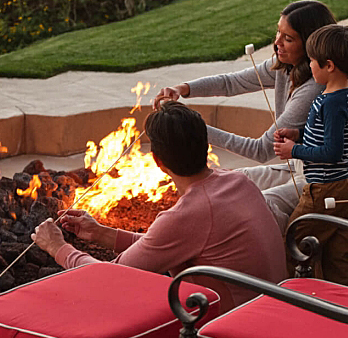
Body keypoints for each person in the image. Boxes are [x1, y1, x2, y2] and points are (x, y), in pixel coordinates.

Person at [154, 0, 348, 233]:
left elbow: (260, 150)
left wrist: (191, 128)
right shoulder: (285, 65)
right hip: (306, 170)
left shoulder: (314, 89)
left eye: (288, 38)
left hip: (345, 187)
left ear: (311, 46)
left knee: (258, 203)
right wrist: (183, 89)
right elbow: (232, 82)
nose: (277, 43)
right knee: (229, 182)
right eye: (278, 32)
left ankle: (279, 264)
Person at [31, 101, 286, 313]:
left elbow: (108, 279)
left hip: (237, 330)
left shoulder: (190, 213)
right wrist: (101, 233)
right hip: (277, 306)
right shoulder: (237, 182)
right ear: (206, 145)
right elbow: (162, 244)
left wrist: (58, 248)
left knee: (111, 304)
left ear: (157, 161)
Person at [273, 25, 348, 285]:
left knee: (294, 242)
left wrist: (294, 150)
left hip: (325, 189)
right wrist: (298, 134)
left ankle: (296, 296)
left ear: (329, 65)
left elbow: (332, 151)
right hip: (343, 184)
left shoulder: (333, 103)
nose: (309, 65)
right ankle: (339, 303)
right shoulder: (340, 93)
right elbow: (326, 135)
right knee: (337, 254)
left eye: (312, 61)